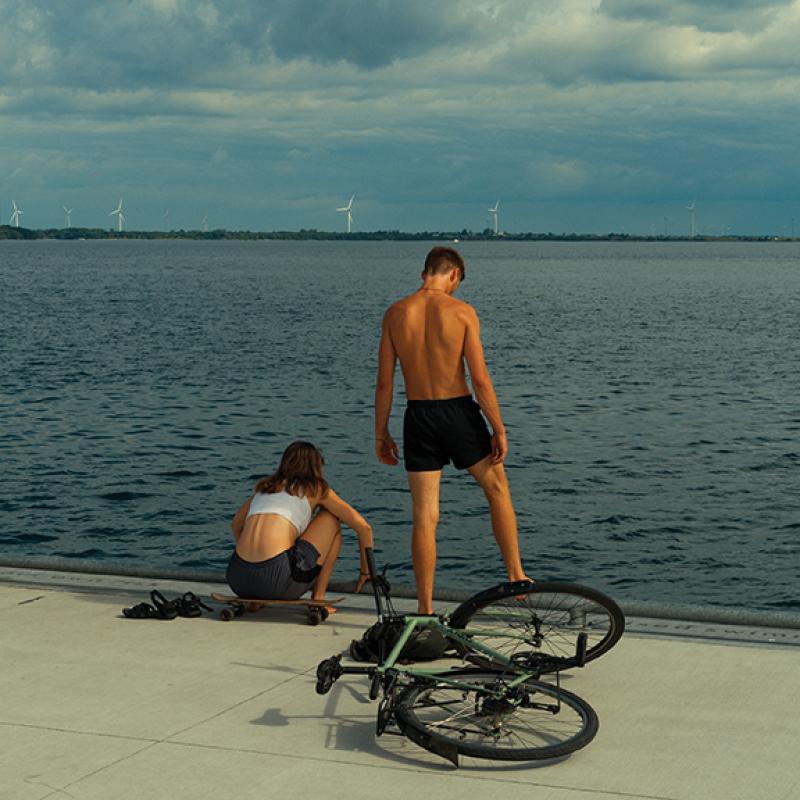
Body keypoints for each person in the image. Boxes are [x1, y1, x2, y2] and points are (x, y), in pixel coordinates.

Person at [374, 246, 529, 614]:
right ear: (454, 275)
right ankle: (516, 577)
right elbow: (480, 379)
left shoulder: (395, 314)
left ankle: (425, 609)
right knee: (497, 489)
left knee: (425, 514)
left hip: (418, 415)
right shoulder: (461, 313)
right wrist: (499, 428)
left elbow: (384, 383)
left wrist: (381, 433)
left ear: (425, 272)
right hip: (458, 412)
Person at [228, 440, 373, 601]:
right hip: (277, 582)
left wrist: (254, 557)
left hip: (237, 577)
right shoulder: (317, 488)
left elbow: (236, 525)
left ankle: (258, 596)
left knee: (289, 537)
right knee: (331, 518)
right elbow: (363, 527)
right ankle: (318, 597)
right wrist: (366, 572)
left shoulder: (265, 488)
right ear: (316, 467)